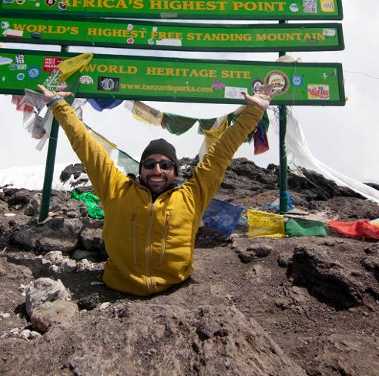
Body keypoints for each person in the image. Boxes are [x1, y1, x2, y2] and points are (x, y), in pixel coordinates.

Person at [38, 83, 274, 296]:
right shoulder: (116, 189)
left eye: (165, 165)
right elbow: (87, 148)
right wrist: (59, 105)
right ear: (141, 169)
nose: (157, 170)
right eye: (149, 164)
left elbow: (222, 153)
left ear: (175, 171)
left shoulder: (193, 195)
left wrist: (255, 112)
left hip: (175, 289)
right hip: (117, 286)